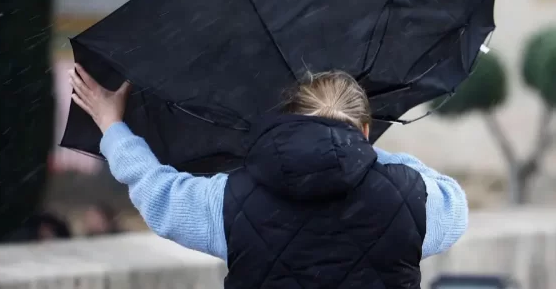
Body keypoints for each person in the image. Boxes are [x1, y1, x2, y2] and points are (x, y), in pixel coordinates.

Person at [68, 64, 468, 288]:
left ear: (289, 120)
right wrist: (367, 151)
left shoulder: (230, 197)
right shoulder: (411, 197)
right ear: (362, 129)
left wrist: (112, 126)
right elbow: (456, 206)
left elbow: (159, 194)